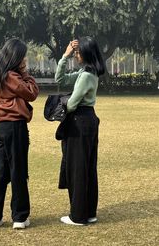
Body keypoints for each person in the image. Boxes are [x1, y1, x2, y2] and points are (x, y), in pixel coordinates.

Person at [0, 38, 39, 230]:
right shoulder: (13, 76)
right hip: (15, 126)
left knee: (1, 171)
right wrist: (26, 74)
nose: (25, 59)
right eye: (23, 56)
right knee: (18, 169)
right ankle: (20, 216)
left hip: (0, 126)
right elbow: (31, 93)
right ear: (16, 57)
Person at [55, 36, 105, 226]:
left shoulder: (85, 75)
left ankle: (77, 216)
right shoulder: (88, 72)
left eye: (77, 52)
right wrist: (65, 56)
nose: (76, 55)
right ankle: (89, 212)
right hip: (89, 120)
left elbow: (72, 103)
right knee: (88, 167)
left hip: (80, 121)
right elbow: (60, 78)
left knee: (77, 168)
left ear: (86, 52)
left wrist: (57, 110)